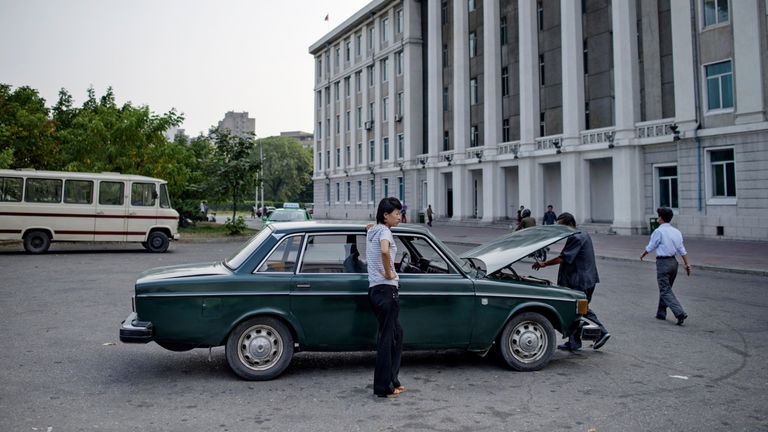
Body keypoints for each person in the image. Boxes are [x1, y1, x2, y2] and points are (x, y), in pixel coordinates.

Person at [532, 212, 611, 350]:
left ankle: (602, 332)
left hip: (579, 281)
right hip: (587, 279)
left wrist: (544, 264)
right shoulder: (583, 234)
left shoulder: (576, 237)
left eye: (561, 226)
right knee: (575, 311)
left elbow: (564, 258)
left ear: (570, 224)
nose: (560, 230)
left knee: (580, 309)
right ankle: (574, 342)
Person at [366, 197, 404, 398]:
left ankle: (393, 380)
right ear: (385, 215)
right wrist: (390, 272)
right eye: (396, 213)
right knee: (387, 340)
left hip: (374, 291)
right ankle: (383, 388)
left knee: (396, 334)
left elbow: (370, 229)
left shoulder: (373, 230)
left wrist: (372, 226)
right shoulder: (385, 231)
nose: (399, 217)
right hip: (387, 291)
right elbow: (383, 250)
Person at [640, 207, 691, 325]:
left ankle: (679, 312)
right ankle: (661, 313)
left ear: (661, 218)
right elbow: (682, 250)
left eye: (658, 216)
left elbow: (652, 246)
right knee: (666, 288)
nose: (657, 218)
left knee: (665, 290)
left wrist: (643, 253)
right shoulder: (676, 232)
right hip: (674, 263)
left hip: (663, 263)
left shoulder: (659, 231)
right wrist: (687, 264)